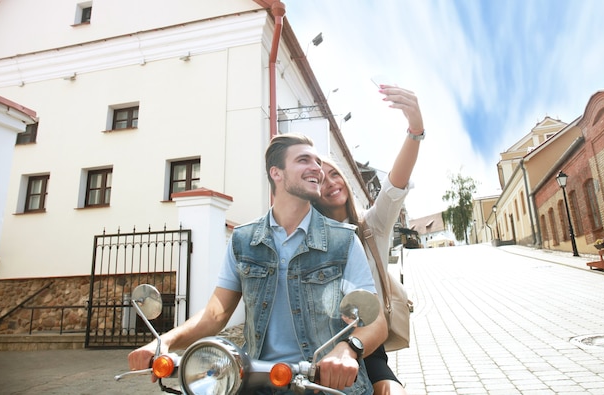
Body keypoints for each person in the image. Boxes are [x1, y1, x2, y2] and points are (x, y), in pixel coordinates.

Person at [128, 133, 388, 394]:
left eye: (317, 162)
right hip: (258, 384)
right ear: (277, 173)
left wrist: (347, 349)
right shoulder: (243, 240)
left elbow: (375, 322)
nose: (317, 169)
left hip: (327, 386)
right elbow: (215, 314)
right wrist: (163, 343)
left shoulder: (343, 241)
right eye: (303, 160)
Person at [313, 85, 424, 395]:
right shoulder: (309, 237)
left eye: (334, 174)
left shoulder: (370, 226)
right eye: (320, 180)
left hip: (366, 343)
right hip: (315, 345)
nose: (330, 183)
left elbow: (394, 184)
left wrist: (415, 130)